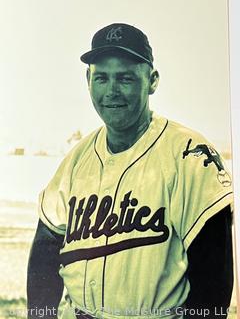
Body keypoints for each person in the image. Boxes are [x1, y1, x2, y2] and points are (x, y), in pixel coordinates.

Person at [27, 23, 234, 319]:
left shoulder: (188, 154)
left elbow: (214, 280)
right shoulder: (76, 160)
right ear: (88, 80)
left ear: (151, 80)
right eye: (101, 78)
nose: (111, 91)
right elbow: (45, 253)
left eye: (124, 78)